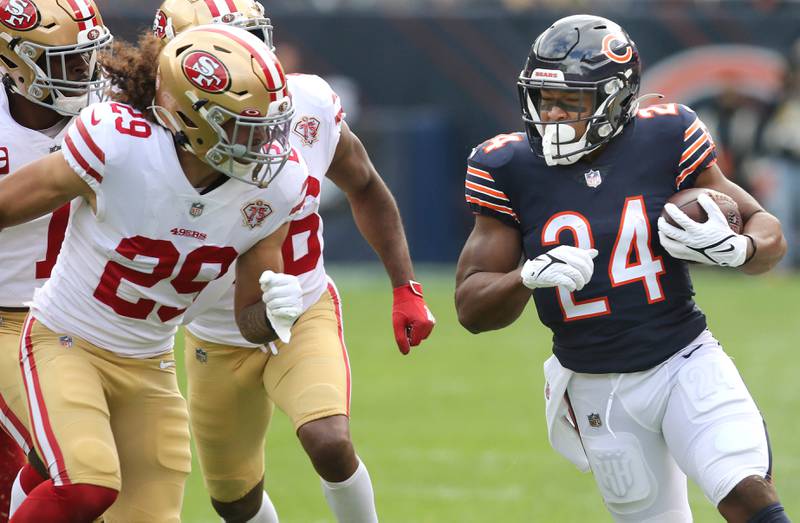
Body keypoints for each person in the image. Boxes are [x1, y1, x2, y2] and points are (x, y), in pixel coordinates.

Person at [454, 15, 790, 523]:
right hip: (594, 386)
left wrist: (739, 248)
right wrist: (524, 277)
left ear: (616, 97)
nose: (554, 114)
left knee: (747, 494)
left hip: (684, 361)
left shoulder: (666, 135)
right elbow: (471, 308)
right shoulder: (508, 166)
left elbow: (769, 230)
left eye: (573, 100)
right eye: (546, 99)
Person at [0, 24, 309, 522]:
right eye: (246, 128)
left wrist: (275, 315)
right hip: (65, 342)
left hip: (148, 365)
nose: (267, 146)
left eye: (271, 127)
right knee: (86, 484)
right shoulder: (119, 143)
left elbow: (248, 320)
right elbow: (8, 205)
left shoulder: (274, 189)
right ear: (194, 118)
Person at [153, 2, 436, 522]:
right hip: (215, 335)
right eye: (231, 57)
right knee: (234, 501)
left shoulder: (306, 104)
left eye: (255, 45)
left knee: (328, 440)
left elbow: (366, 184)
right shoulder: (147, 144)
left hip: (301, 307)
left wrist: (404, 286)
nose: (254, 68)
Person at [0, 1, 113, 520]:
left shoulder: (114, 113)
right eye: (64, 61)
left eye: (86, 58)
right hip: (7, 317)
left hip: (80, 321)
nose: (83, 74)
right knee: (74, 463)